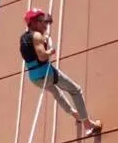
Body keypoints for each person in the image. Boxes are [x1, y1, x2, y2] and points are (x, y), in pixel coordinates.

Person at [20, 8, 101, 136]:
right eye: (42, 22)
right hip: (46, 73)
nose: (45, 25)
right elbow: (42, 56)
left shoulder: (24, 38)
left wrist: (44, 40)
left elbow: (32, 52)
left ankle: (75, 114)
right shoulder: (36, 36)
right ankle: (87, 124)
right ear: (34, 23)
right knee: (75, 90)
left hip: (35, 78)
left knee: (56, 93)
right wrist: (51, 51)